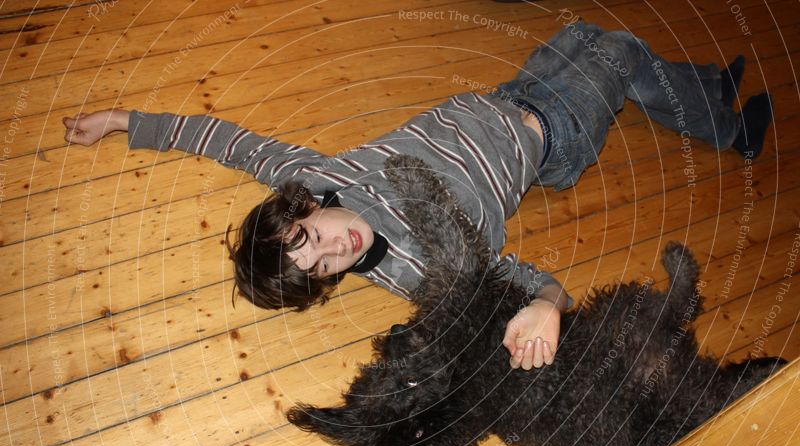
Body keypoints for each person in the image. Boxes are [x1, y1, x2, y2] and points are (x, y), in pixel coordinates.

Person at [63, 20, 772, 371]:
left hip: (507, 97)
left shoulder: (322, 174)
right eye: (321, 272)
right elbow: (530, 282)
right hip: (556, 133)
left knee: (586, 32)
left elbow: (227, 140)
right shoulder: (425, 269)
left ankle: (709, 91)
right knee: (617, 51)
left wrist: (122, 122)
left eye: (309, 240)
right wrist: (543, 309)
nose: (334, 251)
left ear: (302, 210)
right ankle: (728, 123)